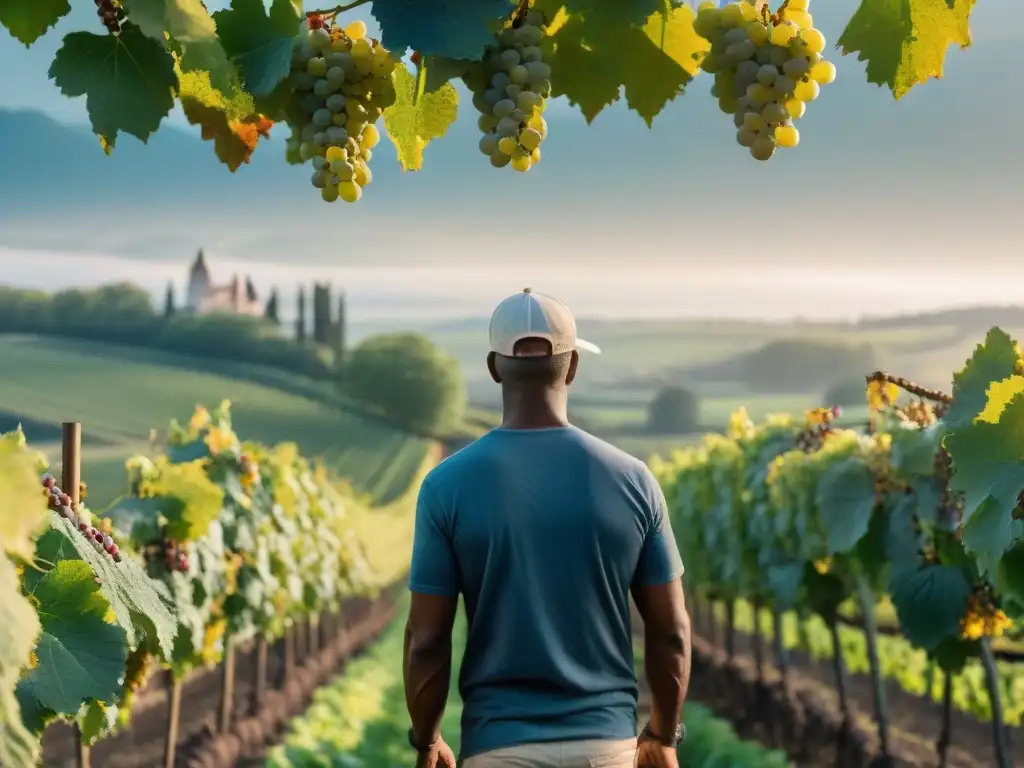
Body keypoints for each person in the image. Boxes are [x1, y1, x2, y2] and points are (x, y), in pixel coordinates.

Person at [403, 288, 691, 768]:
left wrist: (427, 739)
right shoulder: (633, 480)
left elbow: (427, 640)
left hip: (496, 747)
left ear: (495, 368)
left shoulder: (445, 485)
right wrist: (663, 734)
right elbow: (672, 632)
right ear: (572, 366)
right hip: (607, 748)